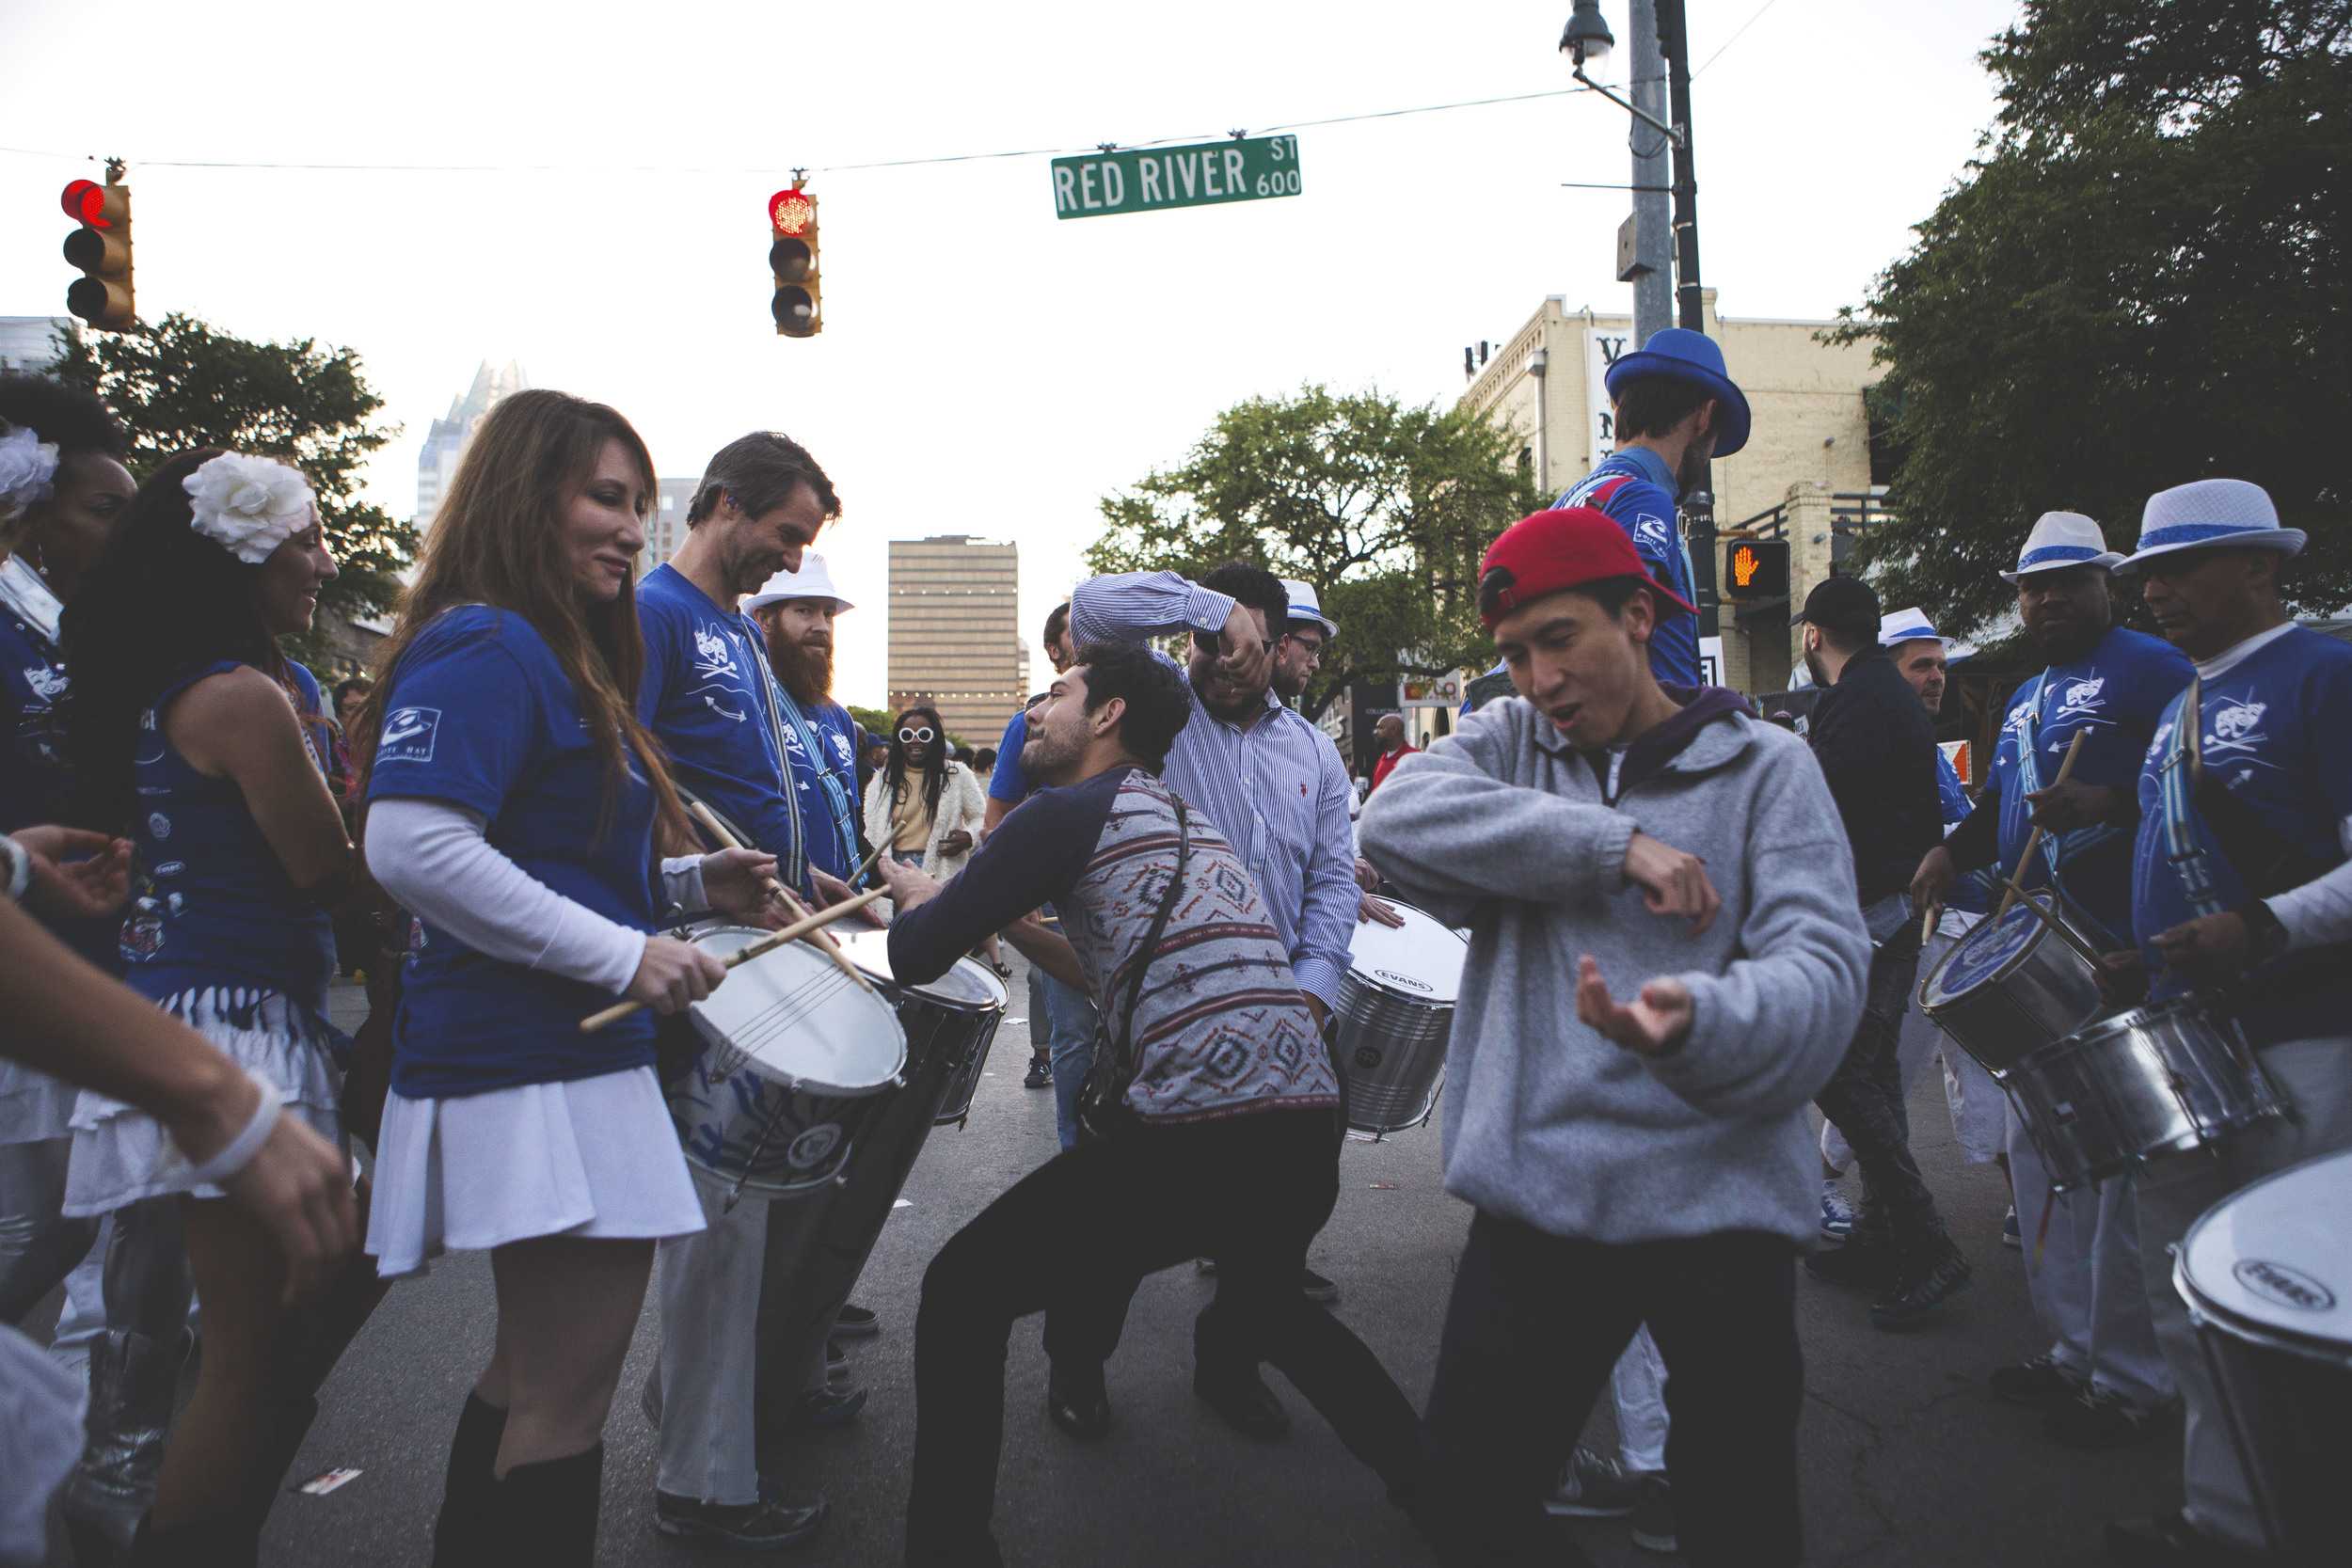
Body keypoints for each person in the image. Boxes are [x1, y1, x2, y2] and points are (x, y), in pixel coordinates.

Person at [1359, 505, 1867, 1568]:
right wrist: (1612, 845)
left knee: (1739, 1517)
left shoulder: (1769, 769)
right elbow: (1393, 825)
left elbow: (1823, 979)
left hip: (1721, 1208)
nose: (1538, 678)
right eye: (1513, 653)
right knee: (1465, 1501)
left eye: (1559, 639)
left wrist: (1698, 1018)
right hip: (1540, 1203)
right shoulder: (1509, 745)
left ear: (1637, 616)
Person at [875, 639, 1422, 1566]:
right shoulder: (1176, 817)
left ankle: (947, 1544)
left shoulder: (1061, 812)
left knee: (960, 1292)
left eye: (1056, 694)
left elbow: (917, 955)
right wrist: (995, 910)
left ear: (1108, 715)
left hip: (1199, 1124)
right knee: (1279, 1312)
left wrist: (920, 897)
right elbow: (1103, 970)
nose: (1034, 712)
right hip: (1300, 1114)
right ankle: (1462, 1503)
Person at [356, 390, 780, 1563]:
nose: (630, 528)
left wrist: (693, 895)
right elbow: (411, 845)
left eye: (641, 505)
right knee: (567, 1394)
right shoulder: (489, 639)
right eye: (605, 496)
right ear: (522, 492)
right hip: (531, 1051)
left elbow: (554, 866)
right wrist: (628, 953)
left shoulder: (544, 651)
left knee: (529, 1374)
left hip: (554, 1049)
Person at [56, 447, 354, 1561]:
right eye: (306, 541)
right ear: (242, 555)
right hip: (229, 1021)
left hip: (191, 1004)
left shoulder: (206, 681)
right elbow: (326, 866)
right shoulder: (238, 698)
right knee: (242, 1353)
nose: (323, 562)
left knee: (193, 1335)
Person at [2090, 480, 2352, 1565]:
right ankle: (2225, 1516)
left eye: (2181, 566)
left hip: (2300, 1028)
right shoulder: (2174, 707)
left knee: (2288, 1301)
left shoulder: (2326, 675)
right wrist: (2133, 954)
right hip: (2179, 1034)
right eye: (2147, 570)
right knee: (2183, 1287)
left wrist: (2264, 927)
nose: (2156, 589)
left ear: (2258, 566)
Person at [1051, 560, 1359, 1436]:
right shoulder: (1158, 721)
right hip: (1160, 1021)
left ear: (1278, 642)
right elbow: (1093, 609)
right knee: (1114, 1220)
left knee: (1286, 1218)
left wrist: (1314, 990)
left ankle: (1228, 1362)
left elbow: (1333, 881)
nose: (1226, 659)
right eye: (1210, 643)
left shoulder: (1311, 751)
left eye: (1247, 644)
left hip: (1290, 1025)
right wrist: (1203, 603)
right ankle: (1076, 1364)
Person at [1913, 515, 2192, 1449]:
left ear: (2105, 583)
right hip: (2038, 952)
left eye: (2066, 582)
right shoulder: (2028, 692)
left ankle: (2132, 1376)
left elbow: (2194, 786)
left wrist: (2108, 801)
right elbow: (1996, 804)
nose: (2046, 601)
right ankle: (2070, 1350)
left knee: (2118, 1180)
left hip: (2122, 956)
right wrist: (1948, 852)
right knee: (2042, 1171)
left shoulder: (2155, 669)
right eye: (2033, 586)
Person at [0, 852, 357, 1568]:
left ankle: (119, 1469)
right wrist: (220, 1098)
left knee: (116, 1243)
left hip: (150, 978)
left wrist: (12, 862)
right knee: (65, 1236)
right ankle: (123, 1473)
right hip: (207, 1001)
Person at [630, 431, 848, 1549]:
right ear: (723, 503)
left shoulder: (735, 633)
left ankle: (699, 1418)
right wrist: (689, 885)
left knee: (753, 1210)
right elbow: (634, 783)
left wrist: (811, 874)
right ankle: (703, 1484)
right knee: (721, 1217)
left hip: (766, 937)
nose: (789, 560)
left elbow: (751, 784)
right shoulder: (658, 614)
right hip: (708, 947)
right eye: (785, 535)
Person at [1792, 574, 1969, 1327]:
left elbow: (1818, 810)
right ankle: (1879, 1232)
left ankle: (1928, 1244)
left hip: (1869, 913)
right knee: (1871, 1077)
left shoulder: (1853, 700)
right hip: (1894, 910)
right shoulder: (1886, 694)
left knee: (1837, 1073)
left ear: (1812, 636)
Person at [1819, 609, 2006, 1245]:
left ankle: (2029, 1193)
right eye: (1921, 665)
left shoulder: (1921, 740)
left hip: (1967, 926)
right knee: (1879, 1075)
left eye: (1941, 666)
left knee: (1987, 1070)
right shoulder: (1884, 733)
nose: (1936, 680)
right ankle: (1823, 1184)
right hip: (1919, 929)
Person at [1552, 328, 1751, 688]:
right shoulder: (1643, 500)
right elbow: (1621, 641)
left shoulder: (1571, 499)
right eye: (1714, 445)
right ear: (1706, 416)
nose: (1708, 458)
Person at [988, 651, 1087, 1102]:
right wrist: (1012, 892)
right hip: (1054, 895)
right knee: (1067, 1015)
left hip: (1122, 898)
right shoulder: (1026, 725)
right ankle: (1045, 1057)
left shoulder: (1136, 716)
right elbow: (997, 818)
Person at [864, 705, 986, 879]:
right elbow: (869, 830)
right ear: (899, 741)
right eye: (906, 735)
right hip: (894, 869)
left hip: (942, 869)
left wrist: (969, 836)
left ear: (935, 738)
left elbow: (981, 817)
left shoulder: (957, 774)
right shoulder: (882, 780)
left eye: (923, 735)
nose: (915, 740)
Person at [1367, 712, 1417, 792]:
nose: (1375, 732)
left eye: (1380, 728)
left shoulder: (1414, 757)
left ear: (1394, 729)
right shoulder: (1381, 760)